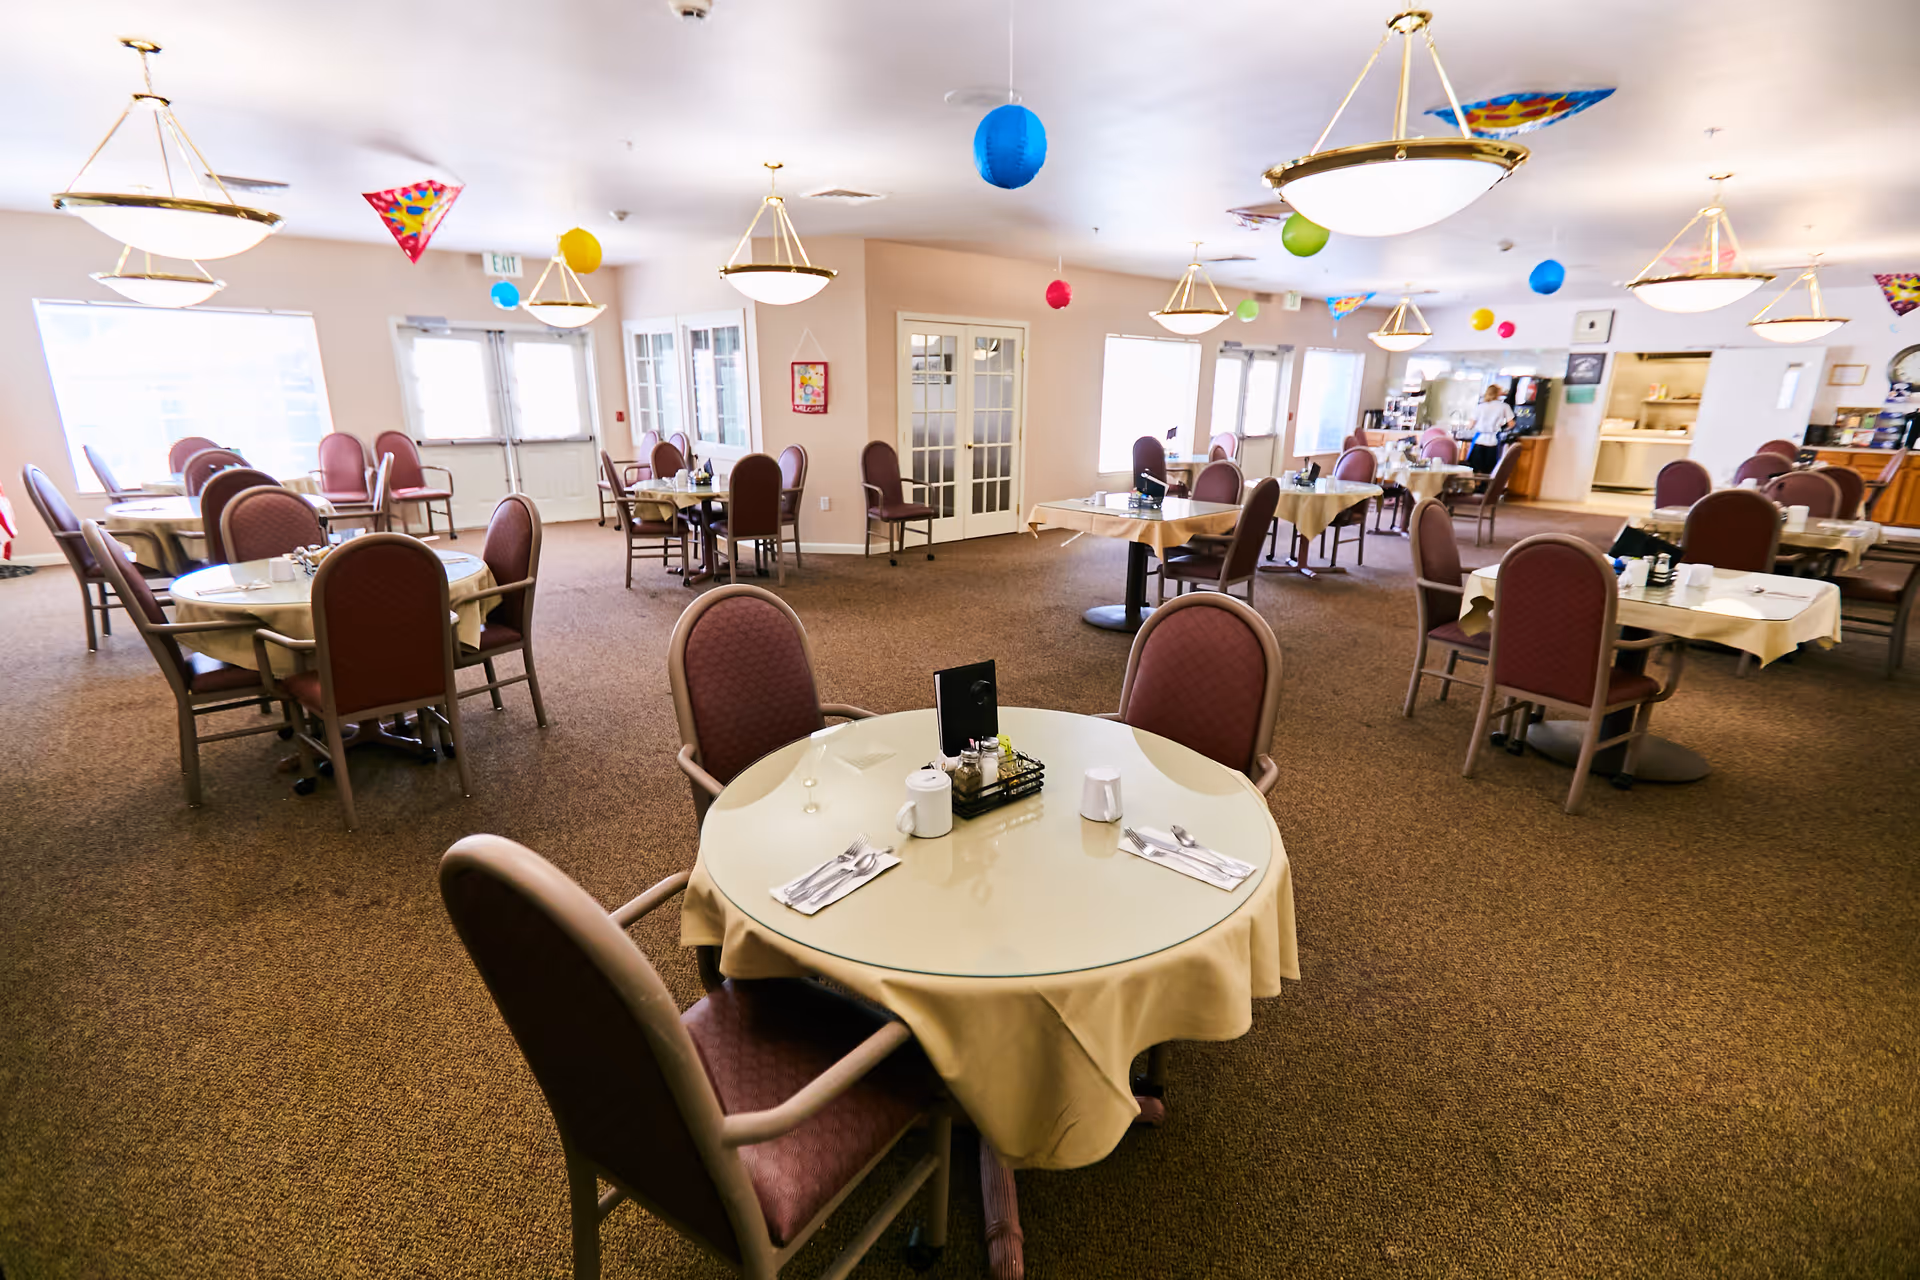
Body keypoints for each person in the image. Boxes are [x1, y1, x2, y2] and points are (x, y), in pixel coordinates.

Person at [1465, 383, 1514, 475]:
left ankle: (1474, 486)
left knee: (1475, 468)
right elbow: (1511, 424)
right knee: (1489, 469)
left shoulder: (1480, 407)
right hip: (1493, 441)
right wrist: (1503, 429)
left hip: (1479, 440)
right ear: (1498, 393)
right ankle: (1485, 487)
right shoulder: (1504, 406)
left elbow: (1470, 425)